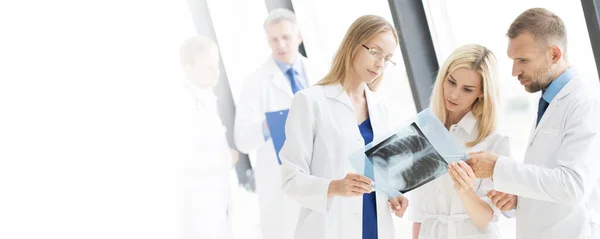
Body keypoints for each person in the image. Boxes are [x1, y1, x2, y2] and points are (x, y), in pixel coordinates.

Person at [466, 8, 600, 239]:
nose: (514, 71)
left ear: (555, 55)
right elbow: (550, 178)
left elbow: (573, 187)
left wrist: (498, 167)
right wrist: (520, 199)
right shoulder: (549, 101)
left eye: (523, 60)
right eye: (513, 60)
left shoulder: (584, 103)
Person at [279, 15, 408, 239]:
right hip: (329, 229)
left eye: (387, 58)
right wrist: (335, 187)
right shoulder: (311, 101)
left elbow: (379, 174)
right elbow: (290, 179)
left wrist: (393, 194)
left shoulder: (381, 109)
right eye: (375, 52)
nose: (380, 64)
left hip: (376, 227)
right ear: (352, 45)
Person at [233, 8, 324, 239]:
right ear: (267, 42)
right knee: (287, 229)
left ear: (299, 37)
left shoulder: (321, 73)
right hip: (280, 182)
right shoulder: (255, 82)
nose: (281, 45)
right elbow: (242, 139)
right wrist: (271, 123)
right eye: (274, 40)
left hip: (321, 172)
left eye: (286, 37)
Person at [405, 44, 510, 239]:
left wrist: (465, 190)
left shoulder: (494, 140)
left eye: (467, 89)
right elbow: (418, 213)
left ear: (481, 93)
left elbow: (486, 218)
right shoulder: (423, 131)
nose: (454, 94)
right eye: (451, 82)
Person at [177, 36, 237, 239]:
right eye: (208, 67)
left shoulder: (206, 98)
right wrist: (227, 159)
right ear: (188, 69)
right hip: (199, 207)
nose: (216, 72)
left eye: (216, 65)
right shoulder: (183, 104)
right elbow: (185, 158)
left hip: (215, 203)